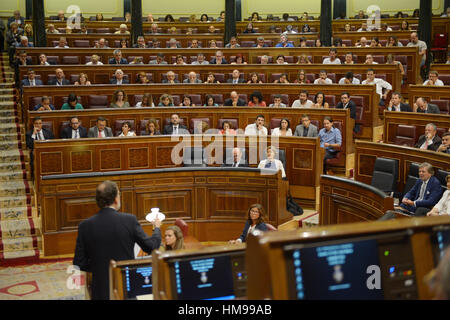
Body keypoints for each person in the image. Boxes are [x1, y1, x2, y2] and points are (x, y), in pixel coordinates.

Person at [73, 180, 162, 300]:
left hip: (100, 290)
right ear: (116, 199)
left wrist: (100, 268)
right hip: (125, 288)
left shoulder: (84, 226)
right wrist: (156, 228)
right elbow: (151, 247)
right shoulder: (129, 220)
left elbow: (79, 262)